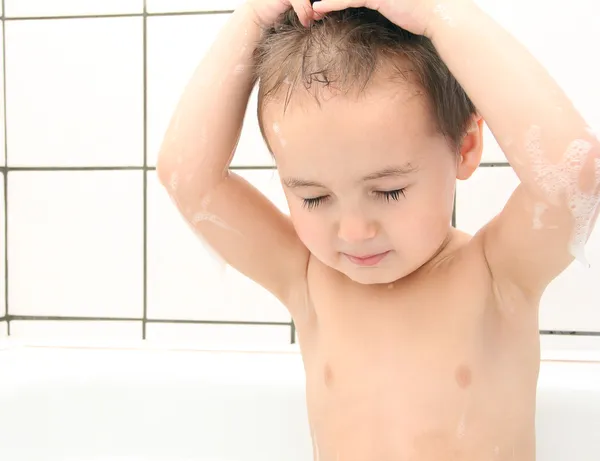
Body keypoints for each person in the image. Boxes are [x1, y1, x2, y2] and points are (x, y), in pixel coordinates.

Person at [156, 0, 600, 459]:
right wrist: (250, 18)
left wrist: (438, 15)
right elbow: (187, 177)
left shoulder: (496, 277)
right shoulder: (308, 278)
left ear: (465, 146)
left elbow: (574, 175)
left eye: (388, 192)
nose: (354, 230)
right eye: (313, 197)